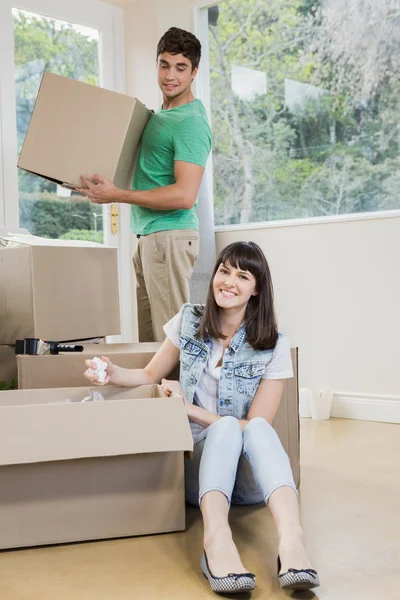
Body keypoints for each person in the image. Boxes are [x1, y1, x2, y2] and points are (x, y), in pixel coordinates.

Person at [84, 241, 320, 594]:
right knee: (225, 427)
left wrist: (189, 408)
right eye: (224, 271)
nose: (229, 282)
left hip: (251, 480)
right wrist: (111, 372)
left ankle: (292, 542)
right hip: (201, 473)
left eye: (243, 276)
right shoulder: (189, 320)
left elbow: (258, 424)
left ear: (256, 290)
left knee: (251, 427)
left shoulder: (273, 344)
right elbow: (149, 375)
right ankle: (216, 541)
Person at [78, 27, 212, 342]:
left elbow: (184, 195)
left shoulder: (190, 123)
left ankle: (181, 394)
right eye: (164, 65)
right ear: (156, 64)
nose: (170, 75)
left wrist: (116, 195)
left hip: (169, 236)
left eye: (181, 68)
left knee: (172, 344)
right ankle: (152, 394)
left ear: (194, 72)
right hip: (150, 237)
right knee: (152, 344)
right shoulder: (160, 117)